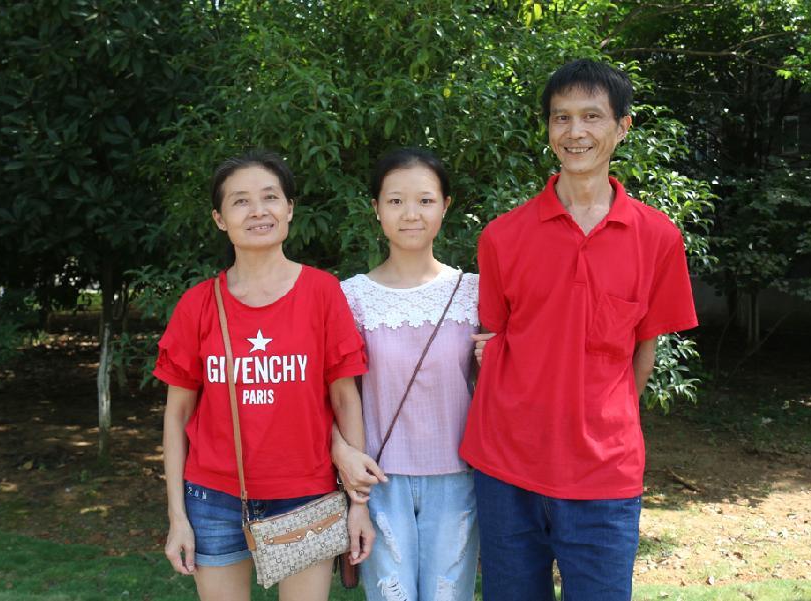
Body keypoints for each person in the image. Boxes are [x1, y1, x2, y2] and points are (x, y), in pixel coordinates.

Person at [461, 59, 698, 600]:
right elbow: (494, 342)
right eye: (561, 117)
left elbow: (643, 350)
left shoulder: (657, 237)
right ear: (548, 128)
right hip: (506, 467)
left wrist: (602, 421)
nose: (575, 131)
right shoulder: (502, 236)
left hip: (605, 474)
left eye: (592, 116)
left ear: (622, 126)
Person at [154, 151, 375, 601]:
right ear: (220, 219)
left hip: (306, 494)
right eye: (240, 201)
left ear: (289, 208)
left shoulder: (322, 292)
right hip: (213, 498)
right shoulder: (198, 304)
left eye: (270, 197)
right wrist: (177, 516)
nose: (258, 210)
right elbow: (176, 417)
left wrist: (358, 506)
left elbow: (345, 399)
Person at [332, 148, 481, 601]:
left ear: (445, 206)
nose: (411, 214)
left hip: (458, 476)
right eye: (396, 201)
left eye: (425, 200)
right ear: (376, 208)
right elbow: (329, 395)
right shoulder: (351, 297)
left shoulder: (473, 292)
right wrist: (341, 453)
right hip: (379, 480)